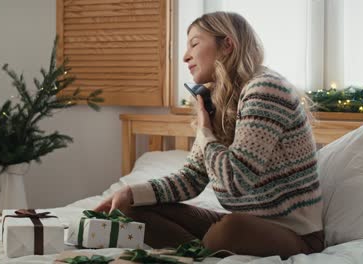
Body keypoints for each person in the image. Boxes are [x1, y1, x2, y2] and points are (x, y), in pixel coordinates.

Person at [94, 11, 324, 259]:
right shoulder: (219, 100)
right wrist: (131, 192)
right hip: (242, 223)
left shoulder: (265, 89)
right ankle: (202, 251)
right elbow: (192, 178)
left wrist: (205, 130)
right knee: (130, 209)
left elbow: (235, 183)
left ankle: (202, 249)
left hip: (292, 234)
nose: (185, 56)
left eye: (194, 43)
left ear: (227, 45)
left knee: (225, 232)